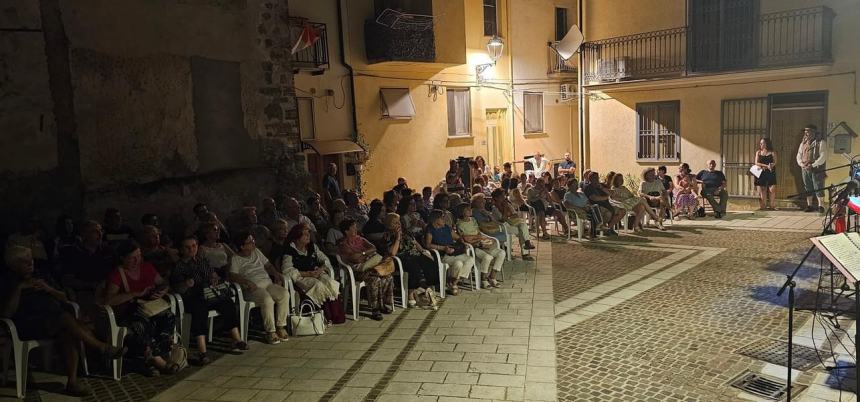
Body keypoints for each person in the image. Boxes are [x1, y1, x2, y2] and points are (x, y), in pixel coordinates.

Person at [1, 246, 126, 396]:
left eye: (31, 259)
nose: (30, 263)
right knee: (66, 319)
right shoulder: (7, 280)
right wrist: (20, 288)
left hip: (54, 319)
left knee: (69, 330)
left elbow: (64, 297)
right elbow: (6, 313)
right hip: (27, 324)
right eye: (24, 261)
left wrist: (49, 289)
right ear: (13, 265)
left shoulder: (41, 274)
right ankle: (102, 348)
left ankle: (72, 383)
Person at [104, 240, 178, 376]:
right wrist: (135, 294)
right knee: (142, 325)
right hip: (129, 312)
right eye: (132, 257)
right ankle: (156, 360)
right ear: (122, 258)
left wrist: (162, 290)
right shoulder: (117, 274)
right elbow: (109, 300)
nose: (137, 260)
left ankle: (153, 357)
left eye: (139, 255)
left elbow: (163, 282)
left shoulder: (147, 267)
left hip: (149, 308)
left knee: (168, 317)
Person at [171, 236, 246, 365]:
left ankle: (236, 339)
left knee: (227, 303)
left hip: (209, 294)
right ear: (182, 249)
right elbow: (176, 288)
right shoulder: (179, 266)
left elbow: (212, 275)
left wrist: (214, 279)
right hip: (192, 297)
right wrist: (186, 284)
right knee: (199, 310)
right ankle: (202, 351)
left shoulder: (202, 261)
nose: (191, 249)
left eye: (194, 246)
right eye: (188, 247)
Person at [228, 232, 290, 344]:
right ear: (242, 246)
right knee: (267, 300)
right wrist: (246, 281)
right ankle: (270, 331)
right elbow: (232, 276)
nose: (253, 243)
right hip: (252, 288)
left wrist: (276, 274)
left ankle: (280, 326)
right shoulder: (236, 259)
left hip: (267, 283)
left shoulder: (256, 252)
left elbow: (268, 265)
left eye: (253, 240)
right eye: (250, 242)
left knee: (284, 293)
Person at [337, 219, 393, 321]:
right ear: (346, 231)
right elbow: (354, 258)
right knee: (375, 279)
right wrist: (366, 255)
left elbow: (373, 248)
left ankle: (382, 304)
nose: (356, 228)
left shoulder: (360, 239)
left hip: (369, 267)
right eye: (353, 227)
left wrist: (363, 254)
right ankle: (375, 309)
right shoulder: (344, 244)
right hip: (356, 272)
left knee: (388, 276)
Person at [379, 213, 439, 307]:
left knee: (429, 261)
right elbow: (392, 253)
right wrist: (398, 237)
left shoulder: (406, 232)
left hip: (414, 254)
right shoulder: (387, 235)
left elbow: (415, 243)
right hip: (400, 258)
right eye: (395, 223)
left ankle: (427, 287)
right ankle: (411, 294)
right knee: (413, 264)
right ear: (389, 225)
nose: (398, 225)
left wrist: (424, 252)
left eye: (399, 222)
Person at [281, 224, 341, 313]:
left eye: (308, 233)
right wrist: (307, 274)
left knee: (330, 282)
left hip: (315, 272)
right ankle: (323, 314)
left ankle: (335, 313)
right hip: (301, 277)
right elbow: (287, 270)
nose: (308, 236)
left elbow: (325, 259)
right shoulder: (290, 250)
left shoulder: (312, 247)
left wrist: (321, 269)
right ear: (297, 237)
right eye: (305, 234)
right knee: (318, 285)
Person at [425, 209, 475, 296]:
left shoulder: (446, 227)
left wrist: (463, 242)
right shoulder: (430, 229)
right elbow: (428, 245)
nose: (444, 219)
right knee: (458, 264)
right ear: (435, 219)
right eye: (442, 218)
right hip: (443, 255)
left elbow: (457, 237)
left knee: (470, 260)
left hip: (453, 252)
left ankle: (453, 282)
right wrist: (443, 248)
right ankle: (452, 284)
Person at [455, 203, 504, 288]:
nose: (470, 210)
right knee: (488, 257)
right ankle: (483, 279)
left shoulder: (473, 220)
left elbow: (478, 232)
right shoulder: (460, 223)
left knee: (501, 253)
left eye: (470, 209)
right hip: (472, 247)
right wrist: (478, 238)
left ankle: (492, 277)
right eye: (467, 209)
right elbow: (466, 238)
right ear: (462, 212)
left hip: (480, 243)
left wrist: (480, 238)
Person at [796, 125, 827, 212]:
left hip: (816, 168)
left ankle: (821, 206)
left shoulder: (821, 143)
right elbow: (799, 155)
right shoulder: (803, 143)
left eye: (808, 132)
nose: (807, 134)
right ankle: (809, 205)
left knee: (818, 186)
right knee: (807, 186)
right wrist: (801, 164)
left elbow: (823, 157)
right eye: (806, 132)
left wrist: (813, 164)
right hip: (805, 168)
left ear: (814, 133)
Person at [755, 137, 778, 210]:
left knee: (772, 189)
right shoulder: (758, 152)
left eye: (762, 143)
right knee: (763, 189)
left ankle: (772, 206)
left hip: (770, 172)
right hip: (761, 172)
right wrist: (765, 166)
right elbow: (756, 162)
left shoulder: (772, 152)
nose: (760, 144)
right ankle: (763, 206)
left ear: (766, 144)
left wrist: (771, 165)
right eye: (760, 143)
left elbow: (775, 162)